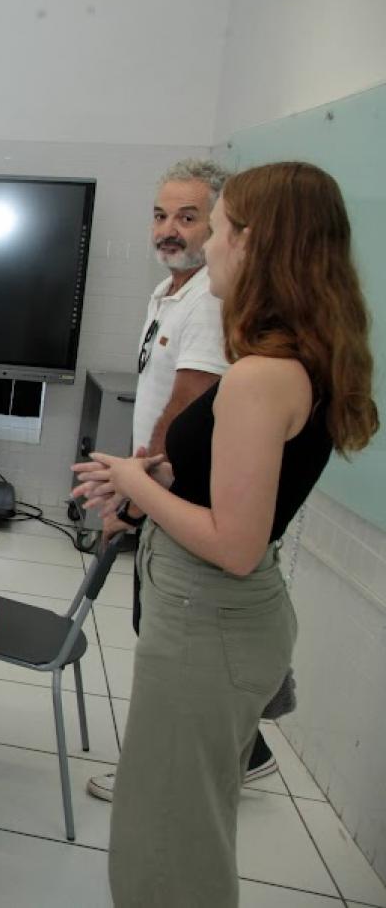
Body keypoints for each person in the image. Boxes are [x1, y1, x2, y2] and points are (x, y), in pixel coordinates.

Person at [73, 162, 377, 907]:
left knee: (167, 843)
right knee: (182, 823)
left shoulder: (259, 376)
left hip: (209, 618)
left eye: (220, 227)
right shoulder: (283, 362)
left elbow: (236, 543)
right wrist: (159, 473)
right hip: (213, 618)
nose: (205, 245)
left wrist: (141, 483)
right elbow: (232, 482)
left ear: (255, 244)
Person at [87, 159, 275, 801]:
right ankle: (244, 753)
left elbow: (185, 406)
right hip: (157, 484)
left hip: (174, 494)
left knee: (170, 645)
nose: (170, 230)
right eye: (161, 215)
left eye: (191, 219)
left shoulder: (211, 304)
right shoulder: (169, 290)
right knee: (158, 633)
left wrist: (133, 498)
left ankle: (180, 768)